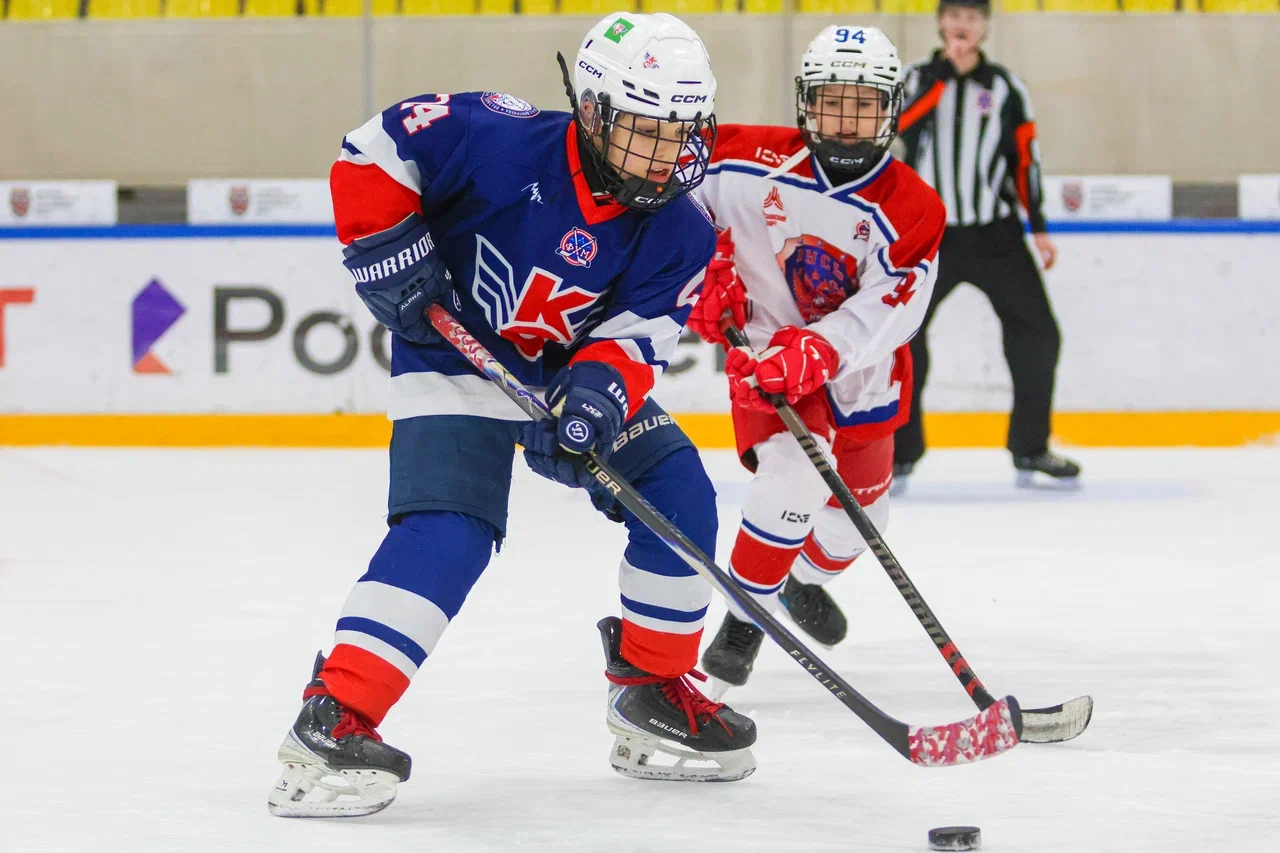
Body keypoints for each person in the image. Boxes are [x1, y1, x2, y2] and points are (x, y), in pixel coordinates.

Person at [267, 13, 758, 818]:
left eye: (680, 133)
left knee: (681, 497)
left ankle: (651, 688)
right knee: (450, 532)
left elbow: (637, 338)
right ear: (593, 112)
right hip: (454, 351)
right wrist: (384, 244)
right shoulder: (497, 136)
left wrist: (596, 403)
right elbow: (372, 149)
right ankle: (335, 715)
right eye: (644, 131)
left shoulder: (681, 229)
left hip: (563, 370)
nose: (666, 155)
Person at [687, 25, 944, 690]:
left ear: (891, 108)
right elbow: (670, 195)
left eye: (864, 103)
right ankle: (743, 625)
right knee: (795, 475)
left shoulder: (913, 207)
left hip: (859, 374)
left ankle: (801, 577)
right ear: (805, 101)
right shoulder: (739, 158)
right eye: (832, 101)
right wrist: (698, 266)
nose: (847, 118)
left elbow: (899, 304)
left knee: (856, 526)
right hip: (770, 358)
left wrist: (823, 347)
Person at [891, 0, 1080, 493]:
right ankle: (901, 452)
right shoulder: (914, 78)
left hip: (995, 234)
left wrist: (1037, 226)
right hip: (931, 234)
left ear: (985, 28)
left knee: (1039, 333)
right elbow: (898, 132)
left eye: (972, 18)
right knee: (903, 338)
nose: (962, 25)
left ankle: (1031, 448)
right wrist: (943, 78)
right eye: (954, 16)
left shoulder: (1005, 86)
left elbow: (1024, 157)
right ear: (940, 22)